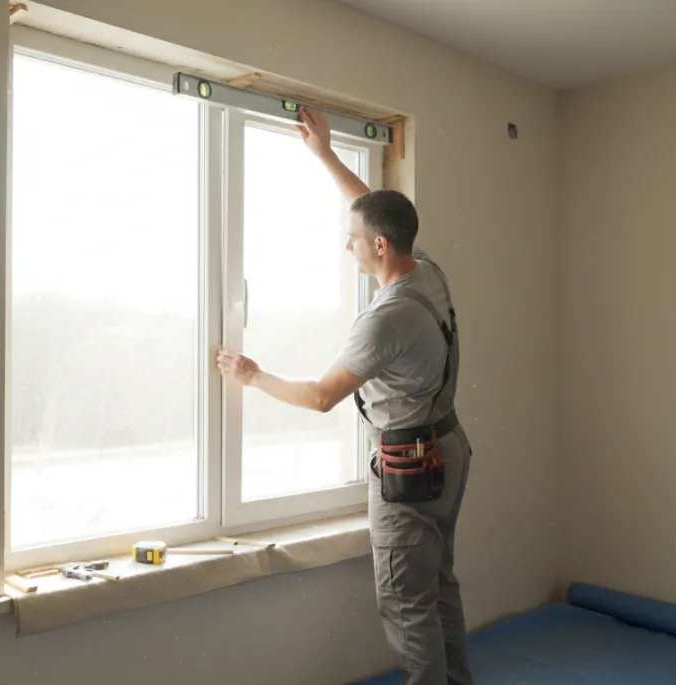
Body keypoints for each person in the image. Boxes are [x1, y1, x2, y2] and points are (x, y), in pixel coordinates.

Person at [216, 107, 474, 685]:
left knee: (407, 601)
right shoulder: (426, 270)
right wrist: (327, 155)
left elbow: (319, 397)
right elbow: (375, 207)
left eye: (352, 240)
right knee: (439, 584)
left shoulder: (385, 320)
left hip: (412, 466)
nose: (346, 248)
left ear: (380, 246)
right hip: (449, 447)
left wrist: (252, 375)